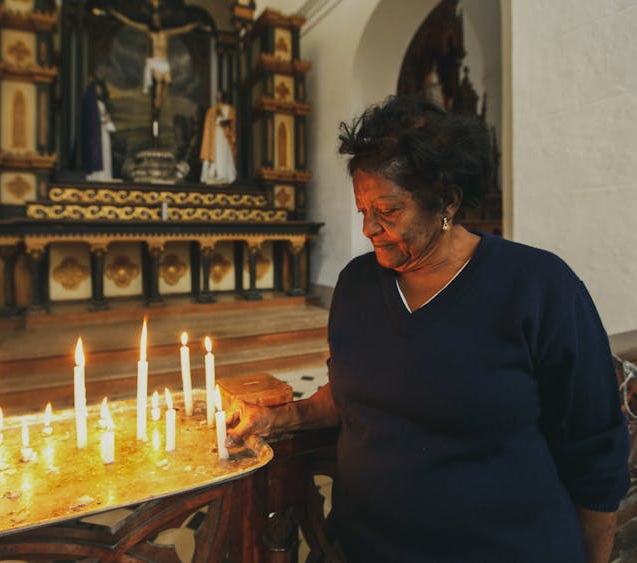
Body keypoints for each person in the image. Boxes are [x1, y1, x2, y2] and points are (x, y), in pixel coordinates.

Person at [226, 96, 630, 562]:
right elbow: (352, 392)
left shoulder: (537, 286)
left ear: (447, 201)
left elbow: (594, 440)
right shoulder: (357, 285)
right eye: (362, 210)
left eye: (389, 211)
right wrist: (282, 417)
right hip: (369, 548)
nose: (370, 228)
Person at [109, 8, 204, 110]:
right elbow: (131, 23)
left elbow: (183, 29)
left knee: (167, 83)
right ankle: (157, 104)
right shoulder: (149, 32)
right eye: (154, 20)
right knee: (159, 83)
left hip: (163, 62)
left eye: (158, 20)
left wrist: (194, 25)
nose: (156, 22)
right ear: (152, 22)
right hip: (154, 61)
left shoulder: (166, 33)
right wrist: (117, 14)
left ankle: (160, 104)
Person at [82, 81, 116, 182]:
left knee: (105, 151)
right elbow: (91, 119)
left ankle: (106, 174)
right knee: (98, 152)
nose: (99, 91)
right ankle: (97, 175)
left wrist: (107, 119)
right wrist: (102, 120)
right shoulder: (90, 103)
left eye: (100, 89)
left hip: (103, 131)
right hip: (96, 132)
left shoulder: (101, 103)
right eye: (98, 88)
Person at [200, 91, 236, 185]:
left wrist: (226, 123)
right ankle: (213, 174)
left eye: (220, 94)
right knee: (215, 152)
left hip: (224, 135)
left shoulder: (230, 109)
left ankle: (224, 175)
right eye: (217, 95)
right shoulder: (212, 110)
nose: (218, 96)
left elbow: (232, 122)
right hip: (214, 135)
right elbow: (209, 125)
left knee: (223, 153)